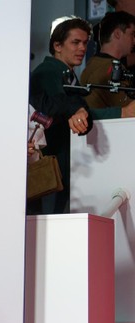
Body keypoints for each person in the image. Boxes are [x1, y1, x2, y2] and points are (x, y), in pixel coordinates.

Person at [29, 17, 98, 213]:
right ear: (57, 45)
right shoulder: (48, 71)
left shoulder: (67, 74)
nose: (82, 48)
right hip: (47, 170)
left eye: (85, 43)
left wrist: (79, 111)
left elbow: (78, 107)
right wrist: (74, 109)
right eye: (75, 42)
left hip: (63, 167)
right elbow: (46, 108)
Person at [80, 11, 135, 109]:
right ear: (118, 34)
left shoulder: (94, 63)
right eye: (132, 34)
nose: (134, 40)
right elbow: (129, 108)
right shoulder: (110, 68)